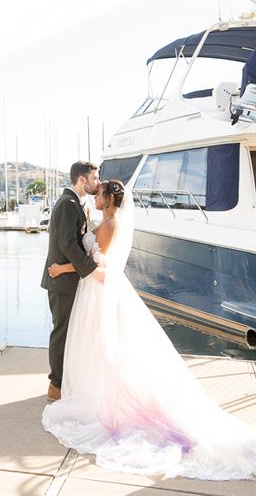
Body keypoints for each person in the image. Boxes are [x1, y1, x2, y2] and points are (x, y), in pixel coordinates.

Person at [42, 179, 256, 480]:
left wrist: (64, 268)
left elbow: (102, 270)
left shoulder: (112, 225)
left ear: (110, 199)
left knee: (104, 350)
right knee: (99, 350)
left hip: (100, 294)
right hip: (93, 293)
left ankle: (106, 401)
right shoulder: (106, 222)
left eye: (100, 193)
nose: (96, 195)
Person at [41, 161, 105, 402]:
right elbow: (68, 244)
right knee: (62, 333)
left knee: (69, 331)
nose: (97, 183)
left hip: (67, 277)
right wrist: (90, 270)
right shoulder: (68, 205)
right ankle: (55, 386)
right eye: (95, 179)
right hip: (61, 281)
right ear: (82, 180)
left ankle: (64, 381)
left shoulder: (75, 203)